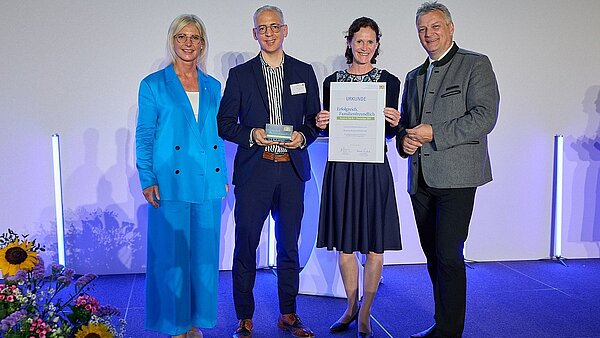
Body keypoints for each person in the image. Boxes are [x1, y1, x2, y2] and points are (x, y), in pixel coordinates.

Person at [396, 2, 500, 337]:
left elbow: (484, 117)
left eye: (435, 26)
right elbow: (406, 126)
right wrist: (404, 142)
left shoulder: (475, 64)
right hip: (421, 178)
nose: (428, 34)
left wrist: (434, 133)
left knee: (448, 255)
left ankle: (450, 332)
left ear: (451, 28)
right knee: (433, 256)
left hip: (458, 177)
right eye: (422, 29)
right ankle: (442, 324)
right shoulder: (414, 76)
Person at [217, 5, 320, 338]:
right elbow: (224, 123)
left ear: (285, 30)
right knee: (246, 245)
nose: (270, 33)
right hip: (255, 172)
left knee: (289, 245)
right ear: (255, 34)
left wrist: (304, 135)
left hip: (291, 171)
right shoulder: (240, 75)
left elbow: (313, 122)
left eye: (275, 27)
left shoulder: (304, 72)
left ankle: (288, 313)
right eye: (263, 28)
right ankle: (244, 317)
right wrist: (251, 135)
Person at [135, 14, 228, 338]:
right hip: (169, 182)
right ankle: (175, 325)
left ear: (202, 44)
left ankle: (193, 323)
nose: (188, 43)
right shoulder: (153, 84)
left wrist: (222, 175)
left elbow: (215, 135)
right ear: (173, 41)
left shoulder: (213, 86)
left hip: (206, 182)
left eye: (194, 37)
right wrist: (147, 177)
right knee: (172, 258)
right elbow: (145, 134)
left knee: (202, 260)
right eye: (181, 37)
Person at [315, 17, 402, 338]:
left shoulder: (389, 82)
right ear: (349, 42)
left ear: (377, 45)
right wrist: (320, 122)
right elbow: (330, 128)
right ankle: (350, 307)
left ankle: (365, 312)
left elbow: (392, 134)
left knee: (375, 244)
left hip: (374, 165)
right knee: (346, 244)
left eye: (370, 41)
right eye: (359, 41)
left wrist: (395, 122)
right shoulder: (332, 82)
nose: (364, 47)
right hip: (342, 165)